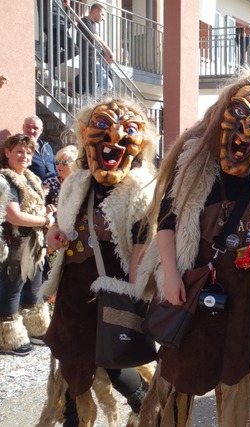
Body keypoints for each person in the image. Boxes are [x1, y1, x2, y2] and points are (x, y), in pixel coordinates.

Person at [136, 69, 250, 427]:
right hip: (193, 286)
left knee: (236, 373)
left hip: (243, 296)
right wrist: (172, 274)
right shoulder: (193, 160)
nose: (248, 134)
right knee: (179, 374)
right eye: (240, 119)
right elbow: (167, 220)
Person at [38, 99, 159, 426]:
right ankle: (73, 421)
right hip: (72, 292)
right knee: (71, 359)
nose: (113, 142)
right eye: (102, 132)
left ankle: (147, 406)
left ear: (140, 145)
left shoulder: (142, 187)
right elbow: (62, 225)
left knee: (116, 363)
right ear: (86, 135)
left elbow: (145, 240)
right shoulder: (76, 181)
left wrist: (135, 289)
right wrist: (55, 234)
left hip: (111, 292)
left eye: (126, 135)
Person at [0, 134, 54, 356]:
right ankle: (8, 338)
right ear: (7, 153)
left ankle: (35, 328)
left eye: (28, 152)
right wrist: (45, 221)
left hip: (35, 241)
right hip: (16, 241)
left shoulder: (30, 178)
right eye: (19, 151)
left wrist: (46, 214)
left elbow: (32, 209)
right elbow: (13, 216)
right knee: (13, 287)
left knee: (35, 286)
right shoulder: (6, 180)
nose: (24, 156)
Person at [76, 3, 114, 95]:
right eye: (103, 14)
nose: (103, 18)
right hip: (91, 59)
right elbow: (96, 38)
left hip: (96, 58)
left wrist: (104, 54)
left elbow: (95, 42)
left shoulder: (92, 24)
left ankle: (88, 96)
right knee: (107, 85)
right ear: (96, 11)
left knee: (106, 84)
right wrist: (109, 52)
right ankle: (88, 97)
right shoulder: (85, 21)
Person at [23, 116, 58, 186]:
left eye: (35, 128)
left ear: (41, 130)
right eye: (28, 127)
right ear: (23, 127)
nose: (31, 131)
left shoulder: (46, 146)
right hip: (34, 190)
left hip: (53, 188)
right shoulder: (19, 147)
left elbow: (54, 165)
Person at [41, 0, 77, 70]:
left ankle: (49, 67)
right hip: (56, 23)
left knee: (52, 51)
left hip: (55, 23)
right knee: (74, 50)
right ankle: (50, 63)